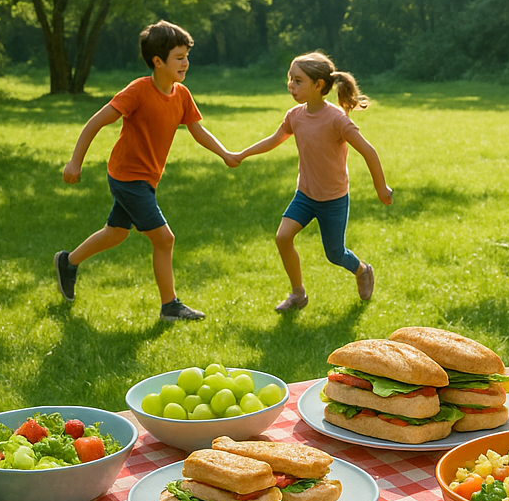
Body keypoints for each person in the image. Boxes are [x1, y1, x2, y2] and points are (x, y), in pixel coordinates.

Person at [54, 20, 236, 321]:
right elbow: (96, 122)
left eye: (186, 56)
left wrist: (225, 154)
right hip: (127, 176)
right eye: (179, 57)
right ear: (158, 61)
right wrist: (75, 162)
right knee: (165, 239)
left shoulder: (181, 94)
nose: (186, 63)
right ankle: (170, 306)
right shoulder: (139, 90)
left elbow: (197, 130)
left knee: (115, 233)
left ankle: (68, 262)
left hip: (147, 177)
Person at [229, 52, 392, 312]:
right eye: (290, 79)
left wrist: (381, 188)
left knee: (335, 254)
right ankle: (298, 294)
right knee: (283, 237)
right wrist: (242, 154)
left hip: (333, 199)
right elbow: (274, 140)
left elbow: (368, 151)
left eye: (298, 81)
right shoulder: (295, 115)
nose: (291, 86)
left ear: (318, 85)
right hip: (305, 195)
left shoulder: (337, 119)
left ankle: (362, 270)